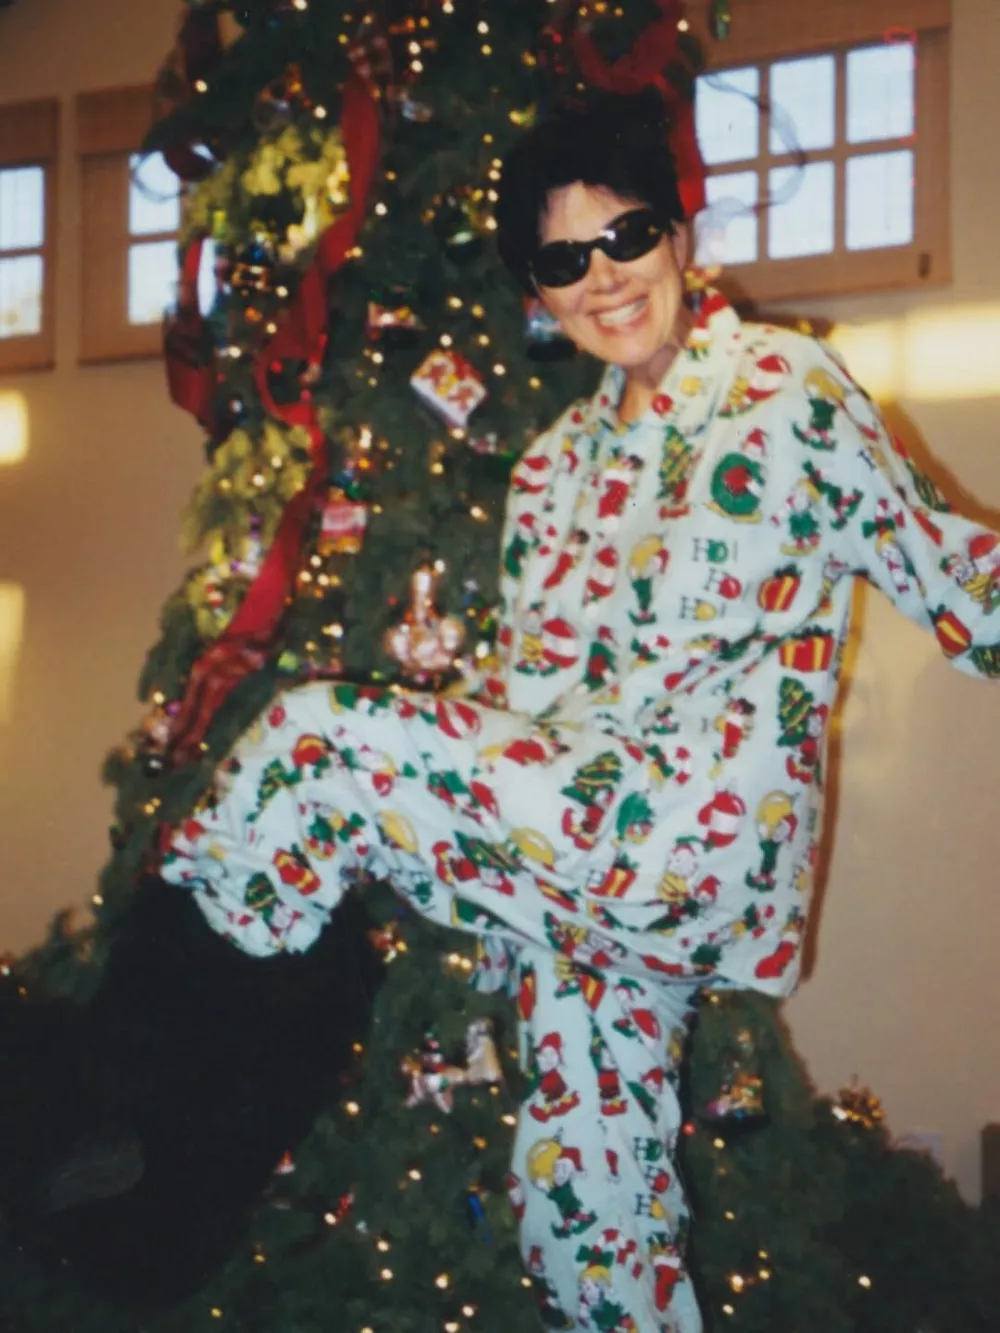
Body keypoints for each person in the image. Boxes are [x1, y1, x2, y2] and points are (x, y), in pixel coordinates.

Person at [144, 88, 1000, 1330]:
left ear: (677, 236)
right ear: (536, 295)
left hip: (691, 835)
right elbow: (521, 695)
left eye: (626, 234)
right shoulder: (550, 469)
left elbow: (952, 572)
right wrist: (456, 835)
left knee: (312, 737)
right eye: (561, 260)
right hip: (578, 877)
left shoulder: (783, 390)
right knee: (589, 1213)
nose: (602, 276)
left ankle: (151, 1065)